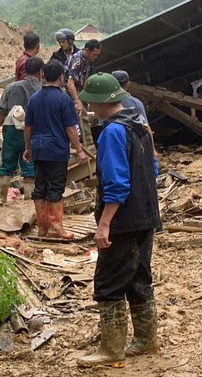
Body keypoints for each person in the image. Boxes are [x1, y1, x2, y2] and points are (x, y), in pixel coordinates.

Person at [77, 73, 161, 367]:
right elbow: (153, 169)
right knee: (139, 276)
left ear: (101, 103)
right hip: (146, 215)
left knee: (109, 283)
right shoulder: (139, 127)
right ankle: (146, 339)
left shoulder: (112, 132)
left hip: (123, 220)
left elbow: (116, 183)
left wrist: (104, 224)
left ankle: (111, 348)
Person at [23, 60, 87, 239]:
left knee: (40, 186)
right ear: (61, 77)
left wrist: (28, 148)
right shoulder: (64, 99)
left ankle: (42, 228)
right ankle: (56, 228)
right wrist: (79, 150)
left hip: (38, 148)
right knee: (56, 186)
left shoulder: (34, 98)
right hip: (56, 149)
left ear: (43, 74)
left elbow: (28, 126)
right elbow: (70, 128)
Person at [0, 57, 44, 203]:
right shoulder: (42, 91)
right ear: (41, 72)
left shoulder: (11, 87)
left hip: (12, 130)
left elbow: (2, 111)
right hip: (33, 132)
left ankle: (2, 198)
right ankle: (28, 199)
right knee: (29, 166)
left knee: (7, 164)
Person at [111, 70, 157, 156]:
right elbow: (146, 127)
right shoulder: (136, 103)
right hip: (135, 145)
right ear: (128, 84)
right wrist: (153, 150)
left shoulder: (104, 104)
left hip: (115, 146)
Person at [67, 39, 102, 115]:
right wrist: (77, 101)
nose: (96, 57)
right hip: (68, 96)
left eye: (97, 55)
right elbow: (70, 83)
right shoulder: (78, 60)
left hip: (80, 93)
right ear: (87, 50)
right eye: (94, 54)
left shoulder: (89, 60)